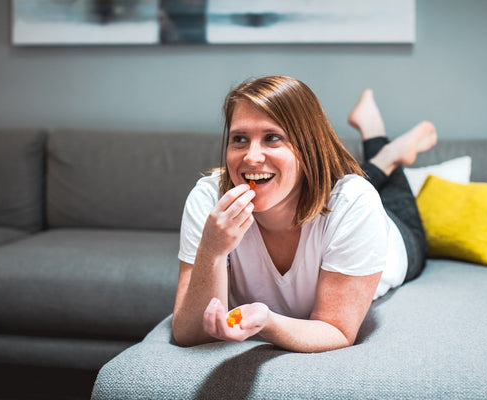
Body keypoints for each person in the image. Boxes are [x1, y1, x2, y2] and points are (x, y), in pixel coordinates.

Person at [172, 75, 437, 353]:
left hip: (397, 236)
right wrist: (212, 251)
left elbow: (336, 330)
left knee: (385, 201)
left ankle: (387, 148)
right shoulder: (208, 200)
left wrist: (269, 323)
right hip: (327, 189)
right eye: (239, 139)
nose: (251, 157)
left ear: (308, 146)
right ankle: (384, 153)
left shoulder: (355, 202)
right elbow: (188, 333)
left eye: (272, 138)